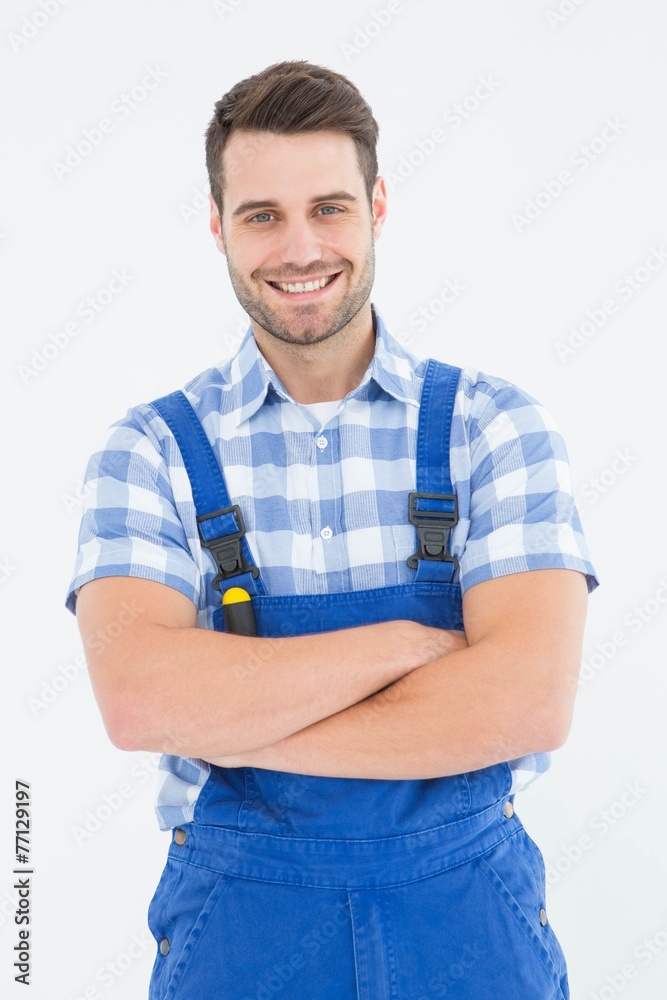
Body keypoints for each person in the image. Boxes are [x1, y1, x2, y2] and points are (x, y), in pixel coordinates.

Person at [66, 59, 599, 999]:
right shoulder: (146, 451)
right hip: (243, 938)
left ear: (378, 205)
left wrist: (229, 716)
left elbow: (524, 704)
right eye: (261, 215)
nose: (299, 248)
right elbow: (142, 704)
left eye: (329, 207)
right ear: (217, 226)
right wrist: (405, 648)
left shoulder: (493, 427)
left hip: (466, 930)